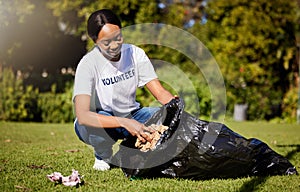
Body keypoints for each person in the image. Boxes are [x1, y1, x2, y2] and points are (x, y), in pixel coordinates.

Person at [72, 9, 174, 171]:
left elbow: (160, 92)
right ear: (95, 41)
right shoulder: (88, 64)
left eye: (118, 38)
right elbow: (83, 115)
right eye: (106, 42)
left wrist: (175, 106)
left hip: (133, 114)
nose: (114, 46)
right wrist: (124, 122)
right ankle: (103, 155)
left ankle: (133, 148)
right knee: (95, 122)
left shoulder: (135, 54)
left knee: (164, 115)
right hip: (99, 120)